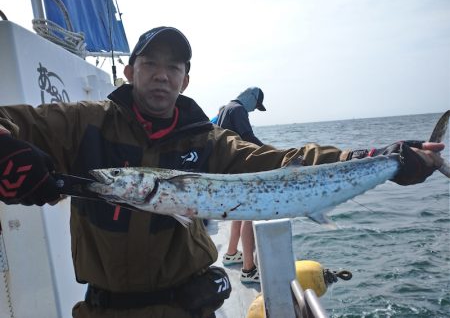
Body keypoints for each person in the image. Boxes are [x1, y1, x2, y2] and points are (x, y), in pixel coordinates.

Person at [0, 26, 444, 318]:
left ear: (185, 81)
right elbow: (11, 122)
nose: (161, 76)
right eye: (150, 64)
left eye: (173, 67)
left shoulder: (208, 141)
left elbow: (280, 163)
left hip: (190, 308)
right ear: (130, 70)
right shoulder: (84, 122)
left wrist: (379, 157)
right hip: (104, 308)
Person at [214, 87, 266, 283]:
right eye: (256, 105)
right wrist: (274, 153)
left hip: (229, 169)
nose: (254, 109)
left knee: (239, 212)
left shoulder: (227, 108)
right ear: (251, 97)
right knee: (250, 214)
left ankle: (231, 253)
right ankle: (248, 269)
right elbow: (249, 138)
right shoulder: (239, 110)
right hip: (240, 168)